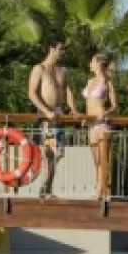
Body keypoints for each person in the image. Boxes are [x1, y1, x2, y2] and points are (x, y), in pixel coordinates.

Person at [27, 40, 78, 198]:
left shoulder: (62, 70)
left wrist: (74, 109)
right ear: (51, 49)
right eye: (60, 49)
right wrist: (46, 112)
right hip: (46, 116)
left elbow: (68, 91)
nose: (63, 52)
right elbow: (32, 93)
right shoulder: (39, 68)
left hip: (58, 115)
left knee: (58, 153)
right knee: (50, 152)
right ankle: (46, 188)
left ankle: (46, 186)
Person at [82, 54, 118, 199]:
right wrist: (85, 117)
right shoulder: (90, 81)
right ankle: (100, 188)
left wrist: (106, 113)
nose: (89, 64)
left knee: (103, 159)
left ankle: (101, 191)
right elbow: (88, 103)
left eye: (91, 61)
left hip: (102, 123)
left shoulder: (107, 82)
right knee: (96, 159)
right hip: (91, 123)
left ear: (98, 64)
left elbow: (114, 105)